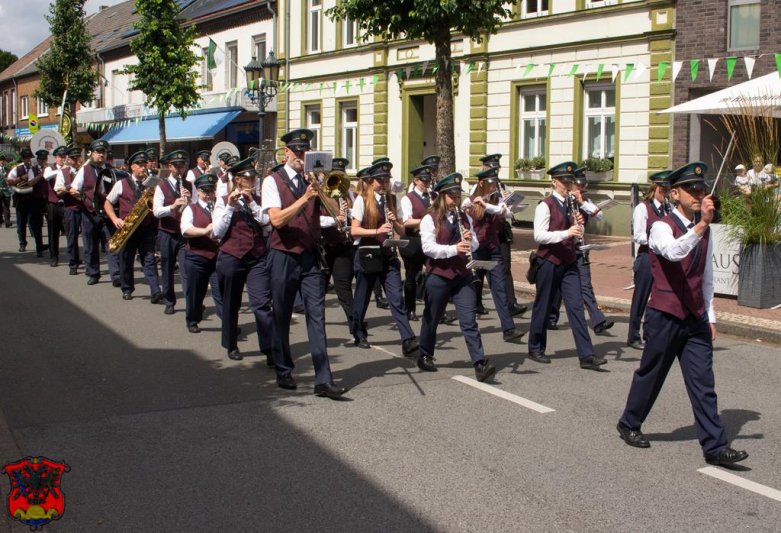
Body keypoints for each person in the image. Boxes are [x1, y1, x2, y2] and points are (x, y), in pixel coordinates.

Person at [617, 161, 748, 467]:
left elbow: (706, 276)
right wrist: (701, 227)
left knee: (703, 382)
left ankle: (715, 446)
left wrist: (710, 315)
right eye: (691, 190)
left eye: (701, 189)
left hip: (695, 316)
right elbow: (673, 252)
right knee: (652, 373)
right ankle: (629, 422)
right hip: (665, 314)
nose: (698, 195)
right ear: (675, 193)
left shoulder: (705, 229)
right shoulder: (661, 226)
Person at [262, 128, 348, 399]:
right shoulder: (272, 181)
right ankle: (283, 368)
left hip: (309, 255)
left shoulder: (313, 181)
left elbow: (336, 214)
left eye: (305, 151)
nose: (301, 156)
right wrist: (305, 198)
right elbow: (277, 220)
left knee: (317, 315)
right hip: (283, 255)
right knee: (282, 313)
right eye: (297, 151)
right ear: (287, 152)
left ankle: (324, 379)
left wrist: (322, 190)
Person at [416, 172, 496, 381]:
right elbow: (428, 248)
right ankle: (425, 354)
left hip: (462, 275)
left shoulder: (465, 217)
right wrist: (454, 249)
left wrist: (470, 241)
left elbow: (475, 244)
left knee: (469, 320)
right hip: (439, 275)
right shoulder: (429, 218)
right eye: (452, 196)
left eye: (458, 196)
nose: (456, 200)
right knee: (432, 317)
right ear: (442, 196)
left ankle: (479, 363)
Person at [527, 161, 606, 370]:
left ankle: (587, 355)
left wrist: (579, 224)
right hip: (549, 261)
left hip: (569, 261)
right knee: (544, 305)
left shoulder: (572, 203)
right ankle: (535, 347)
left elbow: (585, 226)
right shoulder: (545, 205)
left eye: (570, 182)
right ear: (554, 182)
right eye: (564, 182)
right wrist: (566, 233)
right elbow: (539, 236)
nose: (567, 185)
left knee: (576, 306)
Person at [350, 160, 419, 357]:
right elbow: (354, 231)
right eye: (380, 180)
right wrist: (377, 231)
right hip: (368, 254)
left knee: (396, 298)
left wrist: (395, 221)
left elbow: (402, 231)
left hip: (388, 255)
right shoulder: (362, 200)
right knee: (362, 297)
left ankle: (407, 339)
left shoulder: (393, 200)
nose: (384, 184)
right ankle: (358, 332)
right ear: (372, 181)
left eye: (386, 180)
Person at [547, 167, 614, 334]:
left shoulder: (584, 200)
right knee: (556, 286)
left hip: (579, 249)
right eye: (579, 185)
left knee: (585, 285)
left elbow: (599, 216)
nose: (582, 188)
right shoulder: (560, 200)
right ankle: (550, 317)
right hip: (562, 248)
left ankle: (598, 321)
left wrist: (582, 202)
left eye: (583, 185)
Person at [463, 166, 525, 342]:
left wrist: (488, 205)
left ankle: (508, 329)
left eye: (494, 183)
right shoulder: (470, 200)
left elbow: (506, 212)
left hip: (493, 250)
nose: (493, 187)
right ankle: (469, 326)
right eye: (490, 184)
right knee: (472, 289)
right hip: (476, 251)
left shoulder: (497, 200)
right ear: (482, 183)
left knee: (499, 289)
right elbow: (465, 221)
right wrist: (467, 208)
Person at [103, 150, 162, 303]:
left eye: (144, 164)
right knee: (126, 259)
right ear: (132, 167)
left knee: (149, 259)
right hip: (128, 228)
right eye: (139, 165)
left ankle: (155, 290)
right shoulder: (121, 184)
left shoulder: (152, 183)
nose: (143, 167)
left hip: (146, 227)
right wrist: (115, 219)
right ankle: (127, 288)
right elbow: (108, 203)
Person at [627, 170, 672, 350]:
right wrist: (656, 240)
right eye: (663, 190)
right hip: (646, 257)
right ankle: (633, 336)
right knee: (641, 298)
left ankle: (650, 334)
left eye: (667, 190)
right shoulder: (642, 208)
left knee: (657, 299)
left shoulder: (669, 208)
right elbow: (638, 236)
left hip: (662, 258)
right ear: (654, 189)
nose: (666, 194)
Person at [479, 153, 527, 317]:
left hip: (500, 231)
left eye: (497, 169)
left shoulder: (502, 186)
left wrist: (510, 203)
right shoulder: (479, 187)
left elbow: (508, 211)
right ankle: (475, 302)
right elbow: (478, 209)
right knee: (481, 269)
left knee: (505, 267)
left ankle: (511, 303)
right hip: (485, 232)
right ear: (485, 168)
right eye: (492, 168)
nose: (495, 172)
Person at [181, 173, 224, 334]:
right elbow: (186, 230)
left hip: (217, 256)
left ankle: (227, 323)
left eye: (211, 190)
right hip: (196, 257)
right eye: (205, 191)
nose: (208, 194)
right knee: (195, 292)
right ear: (198, 191)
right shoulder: (191, 208)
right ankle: (192, 320)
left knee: (221, 291)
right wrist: (204, 231)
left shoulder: (219, 208)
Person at [153, 149, 193, 315]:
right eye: (176, 166)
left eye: (182, 166)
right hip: (167, 232)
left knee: (187, 270)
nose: (179, 169)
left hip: (183, 234)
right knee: (167, 268)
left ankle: (191, 304)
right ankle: (169, 301)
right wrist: (173, 206)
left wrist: (190, 201)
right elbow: (156, 211)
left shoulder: (189, 185)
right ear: (170, 166)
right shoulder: (161, 186)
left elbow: (195, 208)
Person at [320, 157, 356, 332]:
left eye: (342, 174)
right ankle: (317, 326)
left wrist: (349, 214)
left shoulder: (348, 193)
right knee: (318, 290)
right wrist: (334, 220)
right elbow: (314, 219)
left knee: (344, 287)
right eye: (335, 174)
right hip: (325, 246)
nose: (339, 178)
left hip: (343, 244)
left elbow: (355, 214)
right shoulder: (320, 193)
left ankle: (356, 328)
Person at [69, 139, 110, 285]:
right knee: (91, 246)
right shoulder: (85, 170)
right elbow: (74, 189)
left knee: (112, 245)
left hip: (108, 214)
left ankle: (116, 275)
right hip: (90, 213)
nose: (101, 155)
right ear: (92, 153)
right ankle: (93, 273)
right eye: (98, 152)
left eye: (103, 152)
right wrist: (80, 196)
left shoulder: (111, 170)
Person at [399, 164, 434, 322]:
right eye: (423, 181)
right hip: (413, 240)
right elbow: (406, 221)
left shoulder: (433, 196)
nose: (426, 183)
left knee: (432, 275)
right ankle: (410, 308)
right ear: (416, 180)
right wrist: (426, 221)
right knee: (412, 276)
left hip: (429, 240)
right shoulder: (408, 198)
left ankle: (432, 308)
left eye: (428, 180)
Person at [55, 148, 84, 275]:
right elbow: (58, 192)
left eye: (78, 157)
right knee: (72, 237)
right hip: (71, 208)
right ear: (69, 160)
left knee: (88, 237)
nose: (76, 160)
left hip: (85, 208)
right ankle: (73, 263)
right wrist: (69, 187)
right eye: (73, 158)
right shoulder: (63, 172)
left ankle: (89, 264)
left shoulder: (85, 170)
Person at [6, 147, 36, 253]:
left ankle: (38, 244)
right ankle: (22, 243)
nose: (28, 160)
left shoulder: (35, 168)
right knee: (21, 223)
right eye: (26, 158)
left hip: (32, 198)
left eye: (30, 158)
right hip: (21, 199)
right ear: (23, 159)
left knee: (34, 221)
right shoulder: (17, 169)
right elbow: (9, 181)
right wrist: (20, 178)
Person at [43, 146, 68, 267]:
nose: (63, 159)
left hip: (66, 203)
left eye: (64, 156)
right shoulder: (50, 168)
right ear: (56, 157)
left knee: (70, 231)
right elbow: (46, 176)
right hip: (53, 204)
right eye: (61, 157)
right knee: (53, 231)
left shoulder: (69, 168)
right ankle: (54, 256)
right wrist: (61, 170)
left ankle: (73, 256)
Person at [0, 154, 12, 227]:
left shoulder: (8, 169)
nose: (2, 162)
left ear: (5, 162)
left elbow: (11, 178)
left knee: (6, 207)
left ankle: (7, 221)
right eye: (0, 160)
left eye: (3, 160)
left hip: (6, 190)